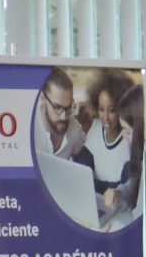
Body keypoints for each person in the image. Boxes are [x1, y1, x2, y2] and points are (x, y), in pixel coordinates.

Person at [82, 82, 137, 221]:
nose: (105, 117)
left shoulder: (129, 139)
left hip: (120, 212)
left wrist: (116, 192)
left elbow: (129, 191)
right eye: (101, 109)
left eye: (112, 110)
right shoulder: (95, 127)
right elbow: (82, 169)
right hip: (97, 203)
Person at [33, 70, 84, 167]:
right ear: (42, 98)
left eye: (68, 107)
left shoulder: (76, 130)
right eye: (57, 107)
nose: (64, 117)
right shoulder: (30, 128)